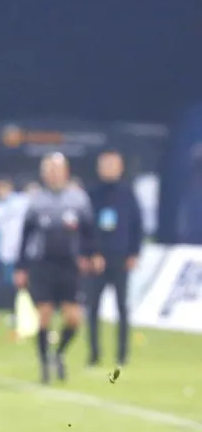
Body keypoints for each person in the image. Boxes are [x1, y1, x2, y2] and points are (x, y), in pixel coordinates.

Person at [15, 153, 96, 384]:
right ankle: (44, 366)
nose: (53, 174)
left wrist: (91, 255)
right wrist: (21, 267)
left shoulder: (78, 199)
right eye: (49, 170)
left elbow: (89, 232)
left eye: (57, 170)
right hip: (43, 265)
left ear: (65, 172)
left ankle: (58, 353)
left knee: (74, 318)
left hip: (69, 265)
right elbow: (26, 236)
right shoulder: (36, 201)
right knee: (44, 315)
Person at [86, 151, 144, 367]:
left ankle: (122, 354)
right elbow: (86, 227)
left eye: (113, 165)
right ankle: (94, 354)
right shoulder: (92, 194)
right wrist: (91, 253)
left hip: (120, 257)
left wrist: (134, 253)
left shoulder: (128, 194)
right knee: (93, 307)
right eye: (105, 165)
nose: (109, 169)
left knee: (122, 307)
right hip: (97, 260)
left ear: (120, 168)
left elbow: (137, 225)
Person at [0, 177, 30, 313]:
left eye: (2, 187)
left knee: (25, 283)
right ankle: (14, 311)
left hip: (23, 251)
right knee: (10, 283)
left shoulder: (22, 202)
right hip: (6, 252)